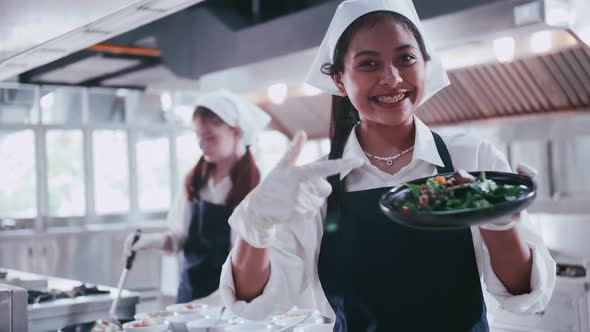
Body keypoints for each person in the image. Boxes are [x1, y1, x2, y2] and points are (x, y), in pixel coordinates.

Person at [219, 1, 556, 331]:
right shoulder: (315, 184)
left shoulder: (473, 160)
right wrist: (256, 226)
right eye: (368, 64)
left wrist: (500, 223)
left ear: (425, 64)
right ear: (338, 80)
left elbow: (523, 294)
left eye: (405, 58)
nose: (392, 78)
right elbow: (255, 302)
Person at [123, 90, 270, 304]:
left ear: (237, 132)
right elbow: (179, 239)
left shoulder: (255, 188)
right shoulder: (195, 182)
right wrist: (149, 241)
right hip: (189, 296)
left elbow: (252, 262)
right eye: (198, 136)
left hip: (232, 301)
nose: (201, 144)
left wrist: (221, 300)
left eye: (210, 137)